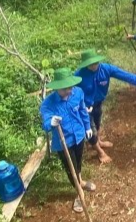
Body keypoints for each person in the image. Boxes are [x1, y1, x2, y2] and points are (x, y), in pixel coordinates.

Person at [73, 49, 136, 162]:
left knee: (97, 123)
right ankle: (100, 153)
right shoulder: (79, 75)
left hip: (98, 103)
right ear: (85, 65)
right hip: (84, 107)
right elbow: (69, 91)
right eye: (90, 64)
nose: (94, 66)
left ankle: (98, 141)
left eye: (95, 63)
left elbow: (124, 75)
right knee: (90, 129)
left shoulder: (106, 69)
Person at [40, 68, 96, 213]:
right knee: (71, 169)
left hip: (78, 136)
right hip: (63, 142)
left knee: (78, 162)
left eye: (70, 87)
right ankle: (79, 194)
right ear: (58, 88)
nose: (70, 91)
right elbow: (45, 123)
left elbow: (83, 111)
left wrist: (87, 127)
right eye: (66, 89)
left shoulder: (77, 93)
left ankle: (81, 181)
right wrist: (50, 122)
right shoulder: (48, 104)